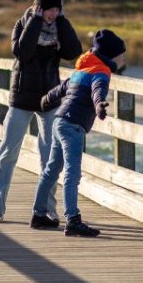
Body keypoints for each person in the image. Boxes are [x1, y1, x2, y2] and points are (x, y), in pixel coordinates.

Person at [0, 0, 82, 225]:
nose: (52, 13)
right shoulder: (23, 23)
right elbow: (22, 52)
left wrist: (62, 21)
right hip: (21, 98)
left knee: (49, 156)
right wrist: (35, 21)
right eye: (48, 9)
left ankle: (48, 210)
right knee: (8, 153)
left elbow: (74, 52)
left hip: (49, 98)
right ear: (38, 7)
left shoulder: (59, 27)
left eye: (56, 9)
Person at [31, 29, 126, 237]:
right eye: (122, 55)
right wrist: (100, 105)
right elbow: (98, 90)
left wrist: (48, 97)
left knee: (51, 170)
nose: (123, 58)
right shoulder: (101, 72)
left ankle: (38, 214)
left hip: (59, 121)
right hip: (72, 126)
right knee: (72, 173)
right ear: (112, 55)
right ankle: (72, 220)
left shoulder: (82, 69)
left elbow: (63, 87)